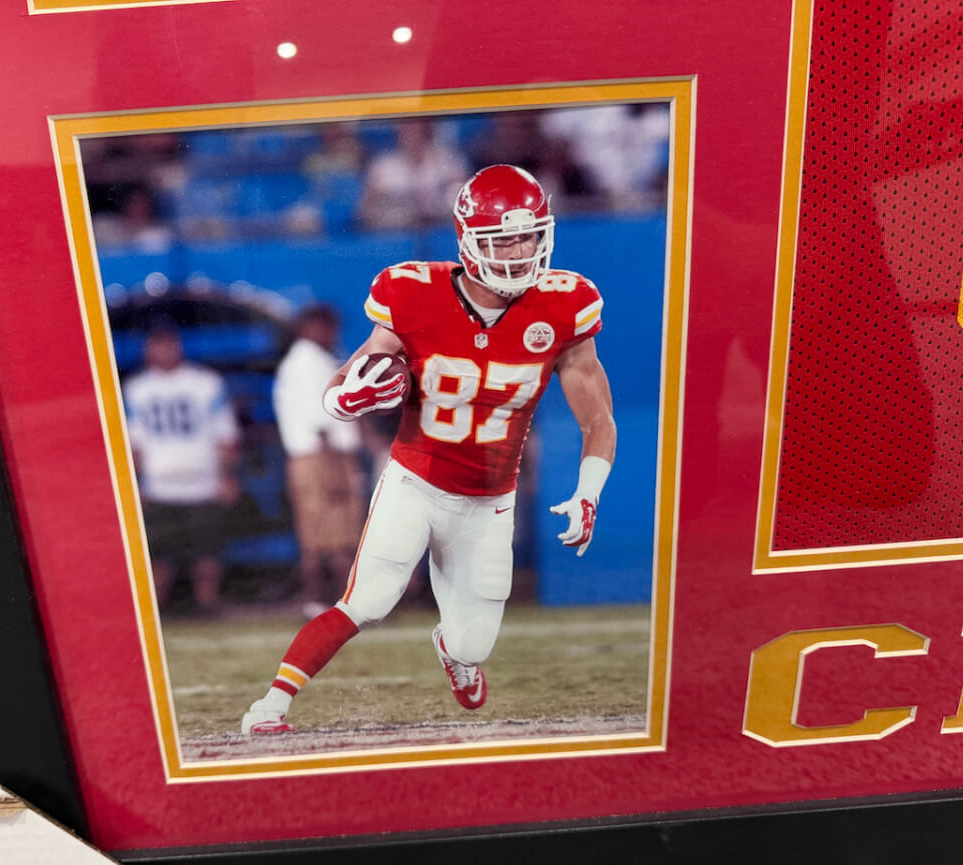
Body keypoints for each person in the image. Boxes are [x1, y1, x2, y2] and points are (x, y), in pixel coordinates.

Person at [241, 164, 616, 734]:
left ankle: (450, 648)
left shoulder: (567, 304)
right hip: (415, 481)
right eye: (503, 240)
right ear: (468, 241)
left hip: (490, 499)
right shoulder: (412, 292)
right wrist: (346, 399)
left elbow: (599, 420)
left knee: (473, 643)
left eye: (528, 236)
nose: (519, 252)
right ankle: (270, 705)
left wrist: (589, 492)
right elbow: (345, 381)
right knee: (367, 600)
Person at [124, 323, 241, 614]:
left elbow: (225, 435)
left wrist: (227, 476)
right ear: (148, 349)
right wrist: (136, 482)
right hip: (159, 483)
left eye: (169, 344)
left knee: (207, 551)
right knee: (158, 554)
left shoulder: (205, 383)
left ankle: (207, 606)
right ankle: (155, 612)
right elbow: (134, 444)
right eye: (157, 344)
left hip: (203, 480)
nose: (164, 351)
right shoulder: (136, 389)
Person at [273, 304, 367, 620]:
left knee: (323, 535)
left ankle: (325, 603)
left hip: (318, 456)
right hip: (322, 456)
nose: (332, 334)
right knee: (334, 536)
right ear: (308, 328)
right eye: (327, 327)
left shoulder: (310, 360)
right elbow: (320, 420)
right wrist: (333, 469)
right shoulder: (307, 363)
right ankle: (340, 605)